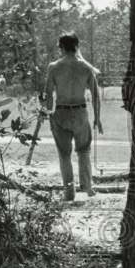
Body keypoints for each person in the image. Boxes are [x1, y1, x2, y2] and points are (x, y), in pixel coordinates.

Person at [42, 32, 103, 201]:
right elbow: (96, 96)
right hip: (80, 112)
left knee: (64, 155)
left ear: (61, 47)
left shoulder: (54, 67)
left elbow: (48, 94)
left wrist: (48, 113)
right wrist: (97, 117)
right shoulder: (86, 67)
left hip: (61, 112)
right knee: (83, 152)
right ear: (76, 46)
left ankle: (69, 192)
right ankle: (88, 188)